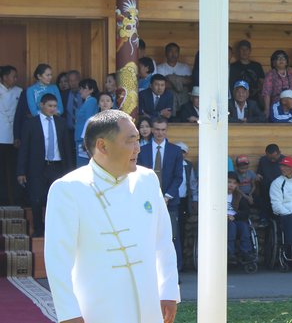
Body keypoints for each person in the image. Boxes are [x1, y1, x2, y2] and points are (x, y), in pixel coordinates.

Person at [45, 110, 179, 323]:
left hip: (148, 306)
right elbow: (57, 259)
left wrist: (168, 290)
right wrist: (69, 314)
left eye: (138, 140)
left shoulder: (148, 179)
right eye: (130, 141)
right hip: (99, 309)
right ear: (102, 146)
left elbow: (163, 241)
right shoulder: (68, 189)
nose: (137, 149)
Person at [17, 93, 73, 237]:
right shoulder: (31, 123)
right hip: (38, 166)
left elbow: (66, 148)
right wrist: (21, 171)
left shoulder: (61, 122)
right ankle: (38, 228)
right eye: (50, 106)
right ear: (41, 105)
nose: (52, 109)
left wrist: (70, 170)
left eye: (55, 106)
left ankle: (53, 229)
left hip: (57, 166)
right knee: (36, 198)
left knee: (55, 199)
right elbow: (24, 149)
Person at [137, 117, 184, 271]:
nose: (159, 133)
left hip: (170, 201)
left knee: (172, 236)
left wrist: (167, 196)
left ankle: (175, 270)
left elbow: (178, 177)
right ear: (151, 129)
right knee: (148, 235)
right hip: (147, 201)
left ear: (166, 130)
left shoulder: (175, 150)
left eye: (163, 129)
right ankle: (149, 269)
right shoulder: (142, 150)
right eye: (157, 129)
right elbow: (138, 176)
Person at [14, 64, 64, 143]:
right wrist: (49, 114)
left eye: (51, 75)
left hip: (54, 122)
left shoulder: (54, 87)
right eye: (47, 75)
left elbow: (60, 108)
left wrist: (51, 115)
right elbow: (34, 111)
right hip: (38, 125)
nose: (50, 77)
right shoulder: (31, 90)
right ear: (39, 76)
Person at [0, 65, 21, 206]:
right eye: (13, 76)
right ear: (5, 77)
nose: (16, 79)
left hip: (14, 137)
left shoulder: (19, 91)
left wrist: (18, 136)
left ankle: (15, 199)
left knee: (15, 170)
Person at [262, 50, 292, 119]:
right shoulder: (270, 75)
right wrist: (267, 109)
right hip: (278, 107)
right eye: (278, 58)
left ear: (286, 62)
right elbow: (266, 93)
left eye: (283, 58)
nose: (281, 60)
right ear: (273, 63)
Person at [226, 172, 256, 264]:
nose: (231, 185)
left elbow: (246, 212)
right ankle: (230, 252)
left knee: (244, 227)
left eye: (234, 183)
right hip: (222, 221)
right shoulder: (216, 195)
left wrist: (234, 216)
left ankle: (245, 252)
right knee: (232, 227)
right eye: (229, 182)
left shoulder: (239, 196)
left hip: (235, 219)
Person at [74, 79, 100, 167]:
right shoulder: (87, 101)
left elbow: (89, 120)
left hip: (83, 138)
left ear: (91, 90)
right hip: (80, 137)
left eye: (83, 88)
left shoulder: (91, 101)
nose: (80, 91)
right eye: (80, 88)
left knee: (82, 165)